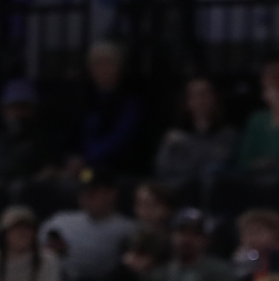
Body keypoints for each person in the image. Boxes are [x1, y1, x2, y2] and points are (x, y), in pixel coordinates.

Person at [40, 166, 137, 281]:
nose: (85, 196)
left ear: (112, 193)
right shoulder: (59, 220)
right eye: (82, 191)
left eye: (93, 192)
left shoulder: (129, 229)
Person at [149, 209, 237, 281]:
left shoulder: (218, 270)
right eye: (181, 232)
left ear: (206, 239)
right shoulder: (158, 269)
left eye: (194, 234)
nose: (186, 239)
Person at [73, 41, 142, 171]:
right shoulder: (81, 99)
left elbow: (119, 139)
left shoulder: (129, 102)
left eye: (108, 63)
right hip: (81, 167)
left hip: (116, 168)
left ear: (119, 68)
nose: (103, 69)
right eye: (98, 64)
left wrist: (86, 158)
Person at [155, 77, 238, 181]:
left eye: (205, 94)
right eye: (194, 95)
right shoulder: (173, 137)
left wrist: (186, 146)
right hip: (179, 189)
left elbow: (220, 163)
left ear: (215, 98)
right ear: (186, 102)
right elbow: (163, 169)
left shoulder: (228, 135)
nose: (200, 99)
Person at [0, 205, 61, 281]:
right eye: (16, 229)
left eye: (27, 228)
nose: (22, 233)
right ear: (5, 234)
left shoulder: (47, 260)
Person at [95, 227, 164, 281]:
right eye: (131, 252)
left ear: (155, 259)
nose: (131, 258)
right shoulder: (117, 275)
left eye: (140, 254)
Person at [0, 78, 58, 180]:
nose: (18, 114)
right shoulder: (3, 137)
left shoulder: (45, 138)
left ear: (34, 110)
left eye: (24, 107)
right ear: (4, 110)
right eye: (13, 108)